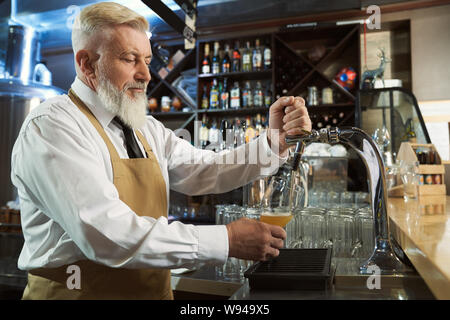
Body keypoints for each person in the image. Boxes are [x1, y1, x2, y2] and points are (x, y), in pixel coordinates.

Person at [11, 2, 312, 300]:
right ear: (87, 64)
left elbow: (206, 169)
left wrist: (274, 142)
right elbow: (105, 233)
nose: (146, 74)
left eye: (146, 59)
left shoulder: (146, 128)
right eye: (130, 59)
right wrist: (226, 239)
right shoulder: (52, 125)